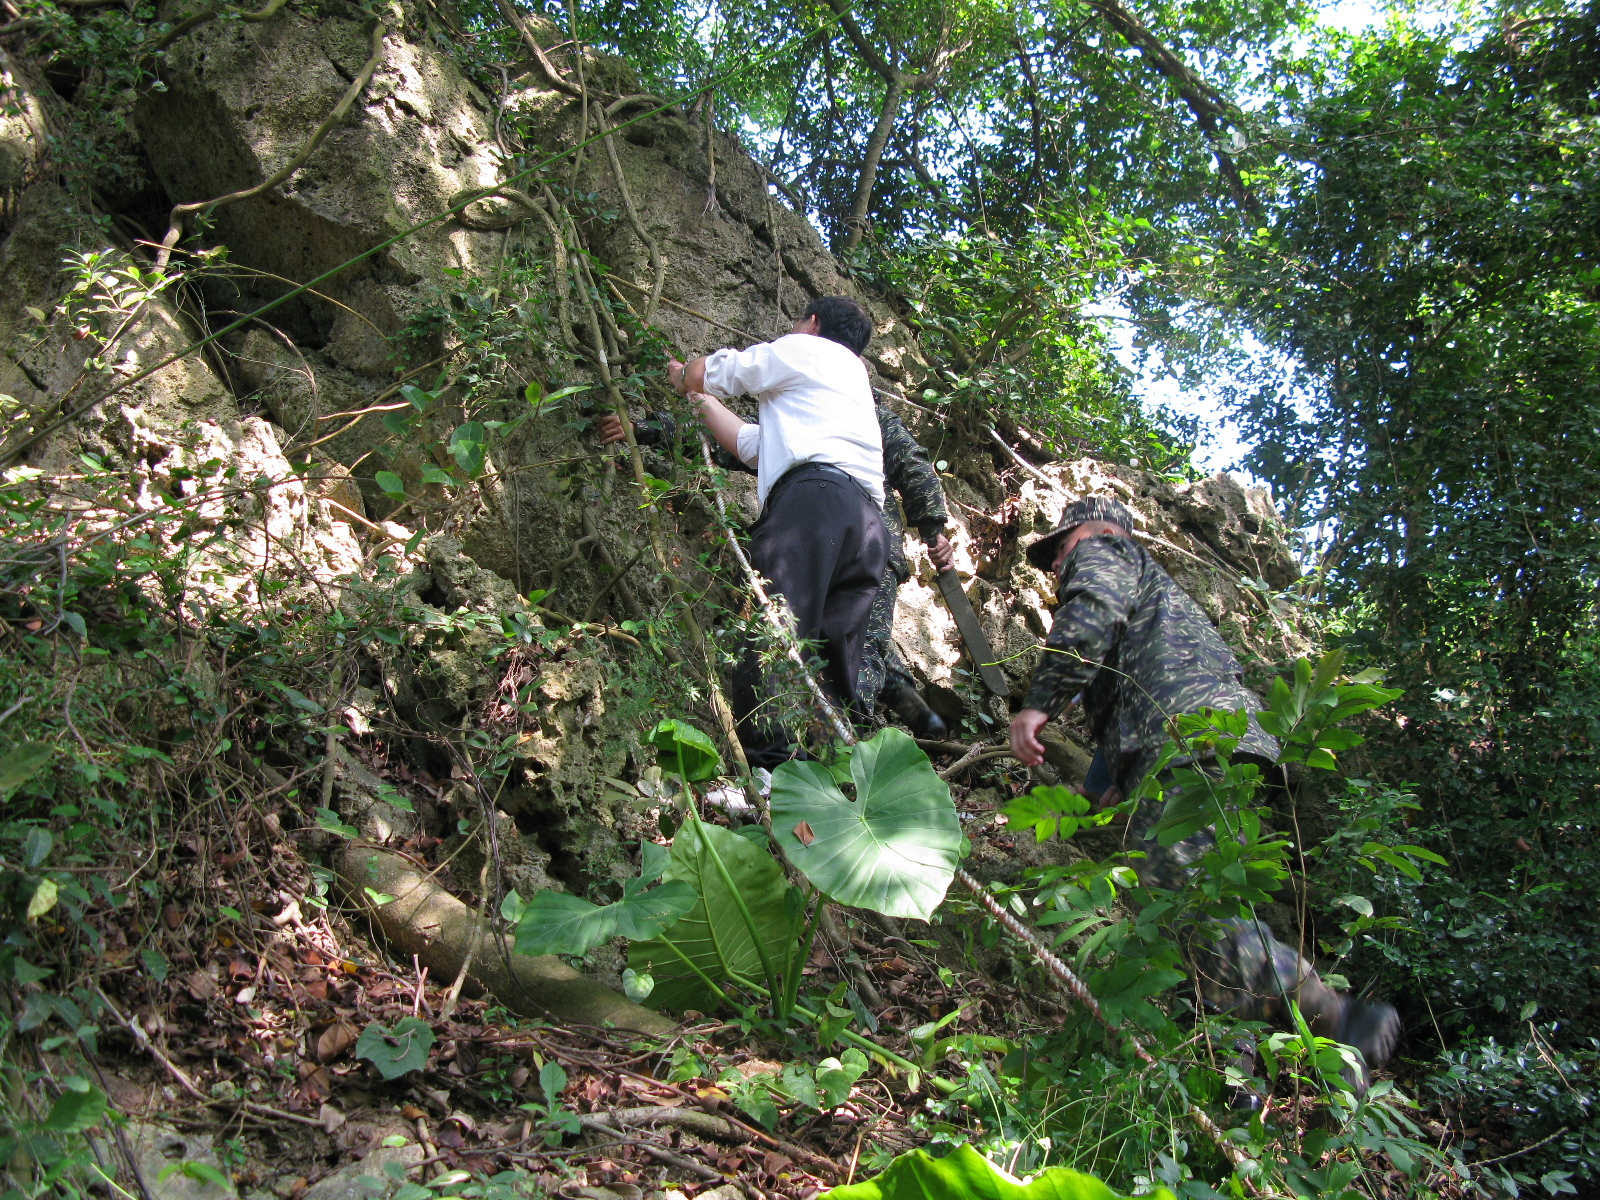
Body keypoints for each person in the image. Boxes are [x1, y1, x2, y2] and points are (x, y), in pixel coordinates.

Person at [1009, 496, 1400, 1098]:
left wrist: (1039, 702)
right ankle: (1237, 1077)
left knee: (1187, 904)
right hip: (1215, 742)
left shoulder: (1108, 550)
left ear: (1099, 530)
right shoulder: (1162, 603)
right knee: (1203, 905)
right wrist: (1106, 783)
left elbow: (1092, 613)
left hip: (1188, 739)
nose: (1059, 564)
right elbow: (1134, 688)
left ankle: (1334, 1013)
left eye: (1061, 547)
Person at [599, 400, 956, 739]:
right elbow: (737, 441)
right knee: (850, 636)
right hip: (854, 541)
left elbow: (908, 461)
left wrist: (933, 527)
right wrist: (646, 430)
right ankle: (909, 710)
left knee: (849, 640)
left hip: (856, 540)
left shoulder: (859, 410)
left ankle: (848, 741)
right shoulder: (810, 412)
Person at [668, 296, 889, 767]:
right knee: (830, 656)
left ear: (812, 323)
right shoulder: (844, 388)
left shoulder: (808, 349)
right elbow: (753, 445)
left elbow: (723, 370)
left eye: (796, 323)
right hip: (867, 526)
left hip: (814, 506)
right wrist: (697, 399)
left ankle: (768, 773)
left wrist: (687, 375)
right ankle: (827, 781)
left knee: (773, 628)